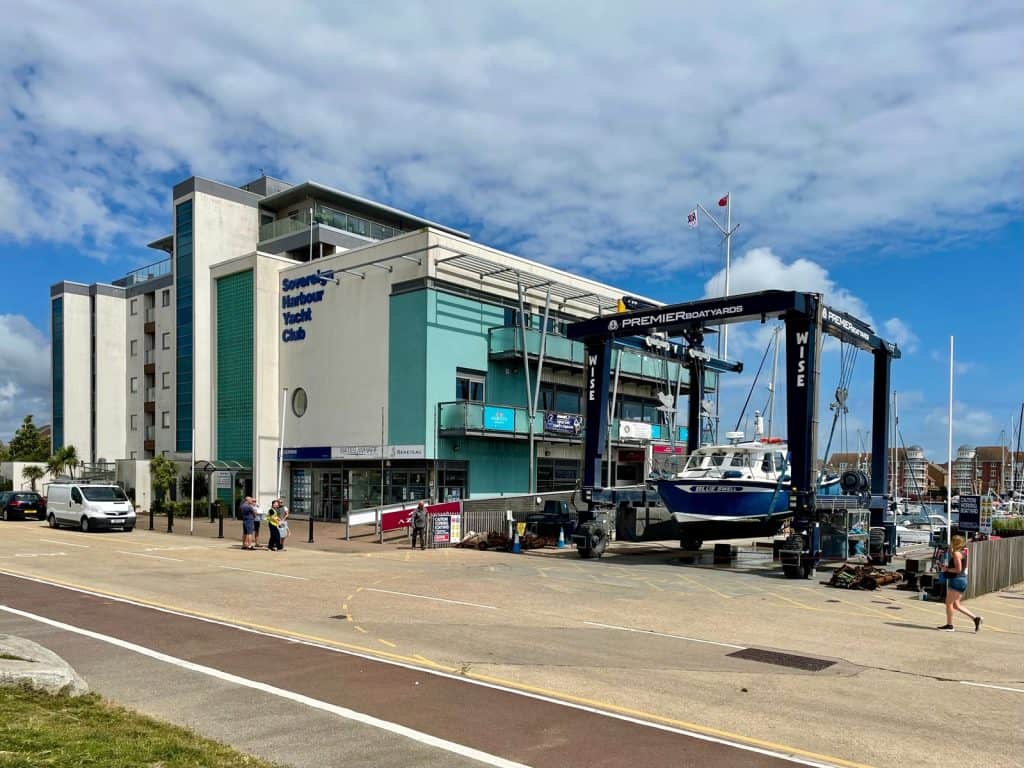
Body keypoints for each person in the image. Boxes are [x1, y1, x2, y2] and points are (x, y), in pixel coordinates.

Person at [937, 534, 982, 632]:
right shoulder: (961, 553)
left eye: (952, 541)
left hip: (957, 580)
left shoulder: (957, 554)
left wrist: (946, 569)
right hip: (961, 580)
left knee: (948, 603)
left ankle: (950, 626)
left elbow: (958, 569)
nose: (950, 543)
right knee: (956, 605)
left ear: (955, 543)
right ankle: (975, 618)